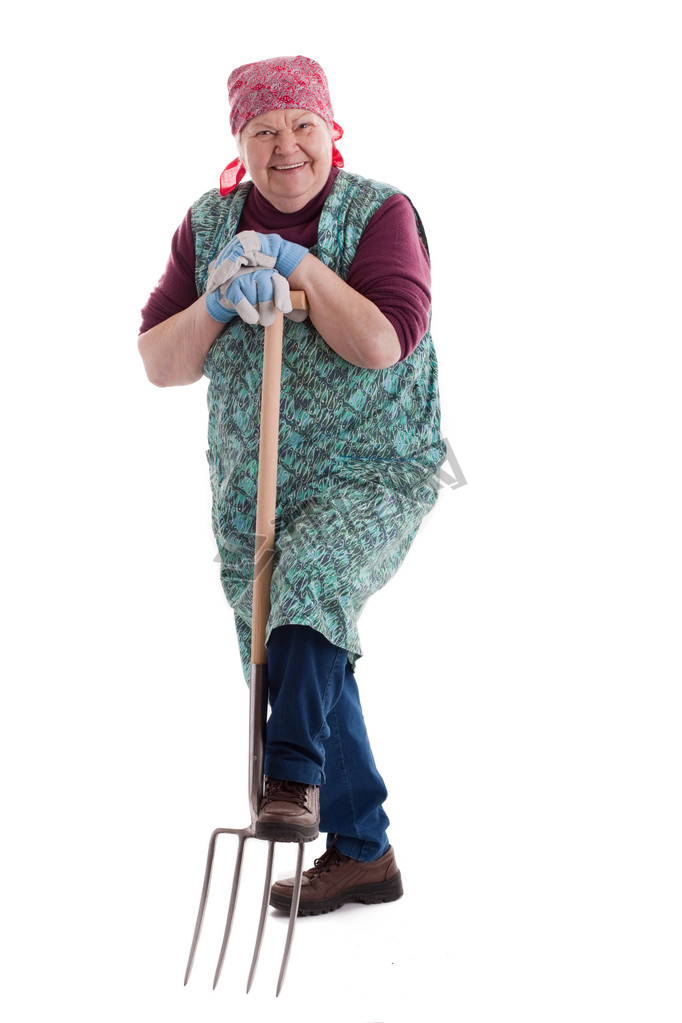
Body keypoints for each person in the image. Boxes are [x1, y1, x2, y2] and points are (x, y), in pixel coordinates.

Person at [138, 55, 445, 916]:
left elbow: (385, 341)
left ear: (330, 131)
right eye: (263, 130)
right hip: (254, 481)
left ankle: (291, 785)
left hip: (374, 465)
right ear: (239, 141)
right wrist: (216, 303)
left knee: (310, 585)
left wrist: (302, 270)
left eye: (302, 127)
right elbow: (159, 361)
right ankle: (365, 851)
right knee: (291, 649)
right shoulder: (207, 225)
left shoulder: (379, 214)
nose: (286, 148)